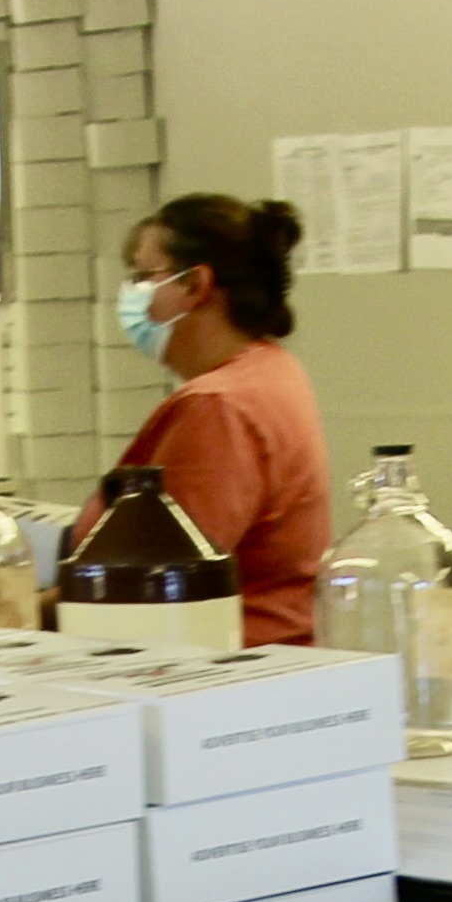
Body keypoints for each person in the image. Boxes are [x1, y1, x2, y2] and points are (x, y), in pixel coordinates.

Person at [106, 193, 333, 644]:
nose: (131, 296)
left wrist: (26, 608)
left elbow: (157, 583)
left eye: (143, 276)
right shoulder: (270, 370)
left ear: (196, 285)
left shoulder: (217, 408)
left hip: (226, 672)